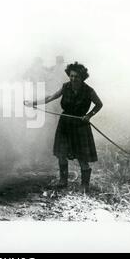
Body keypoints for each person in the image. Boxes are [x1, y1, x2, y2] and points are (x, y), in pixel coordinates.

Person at [24, 62, 103, 193]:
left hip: (80, 125)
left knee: (82, 157)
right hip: (65, 124)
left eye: (76, 76)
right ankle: (62, 181)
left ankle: (84, 185)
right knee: (62, 153)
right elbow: (50, 97)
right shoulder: (65, 87)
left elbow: (99, 104)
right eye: (71, 76)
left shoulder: (89, 90)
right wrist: (33, 103)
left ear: (82, 77)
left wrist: (89, 115)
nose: (73, 79)